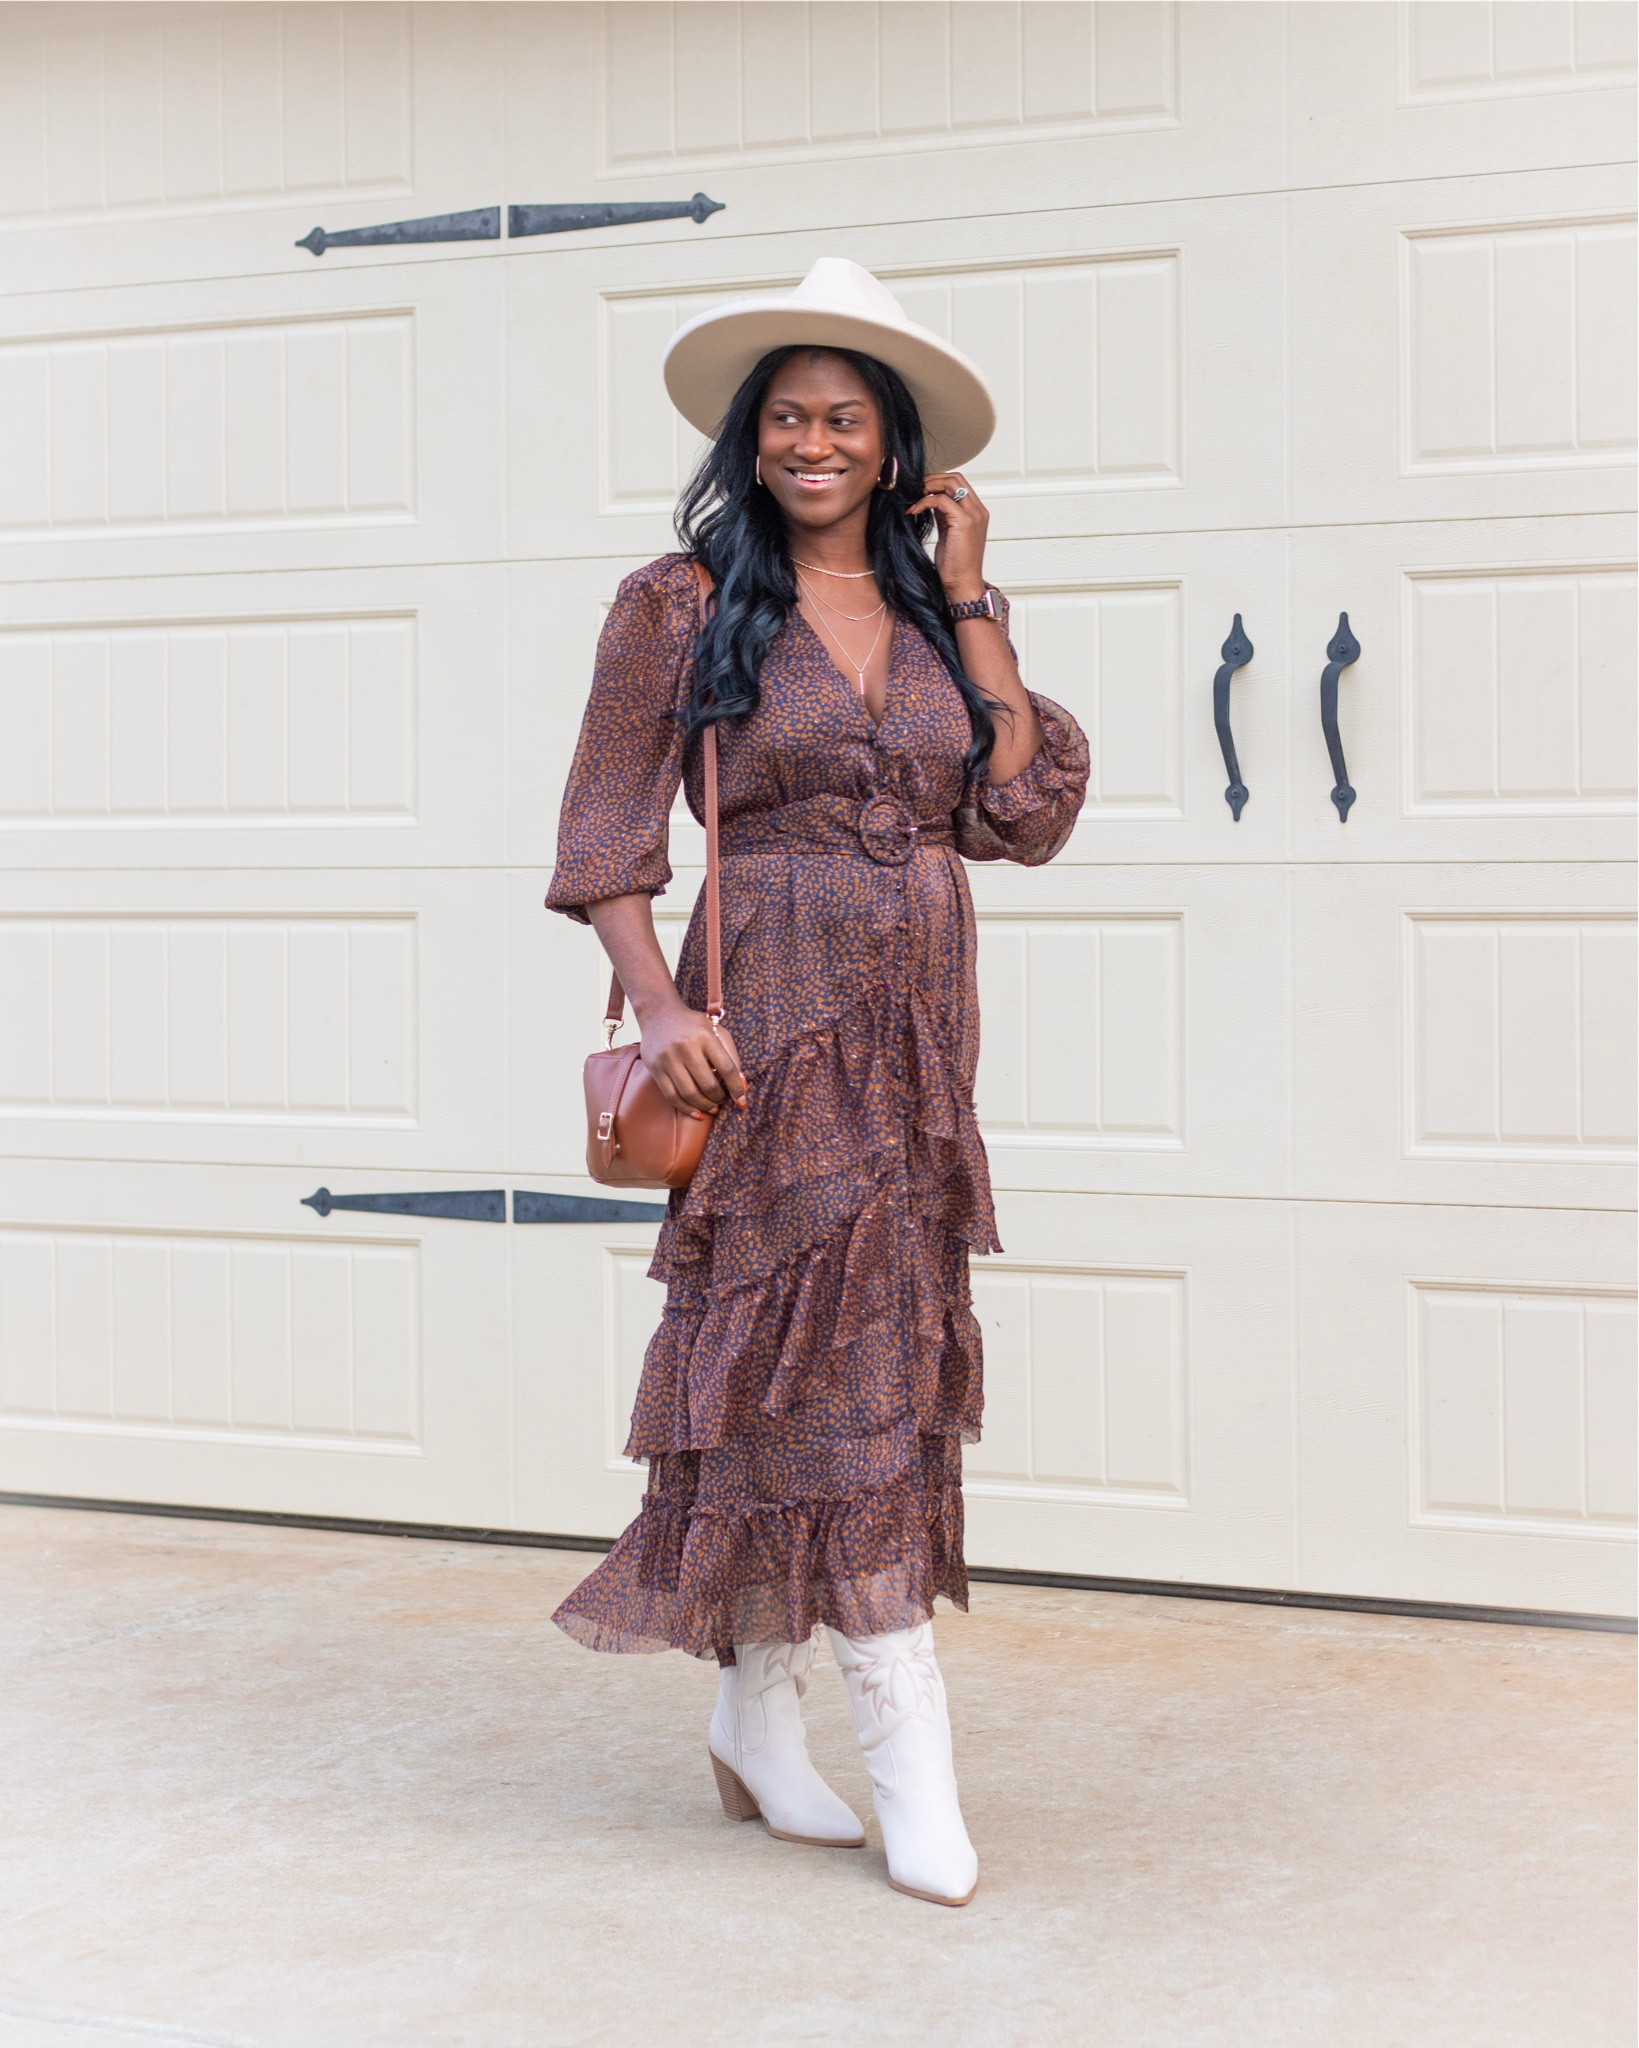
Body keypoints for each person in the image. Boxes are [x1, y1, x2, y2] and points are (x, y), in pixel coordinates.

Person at [546, 259, 1089, 1906]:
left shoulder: (937, 616)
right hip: (764, 1013)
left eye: (846, 418)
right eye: (786, 416)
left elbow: (1020, 811)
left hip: (918, 1037)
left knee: (869, 1361)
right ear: (751, 436)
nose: (814, 443)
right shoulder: (681, 602)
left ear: (895, 441)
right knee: (805, 1364)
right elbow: (605, 827)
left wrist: (974, 594)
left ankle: (754, 1717)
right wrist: (656, 1009)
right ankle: (907, 1753)